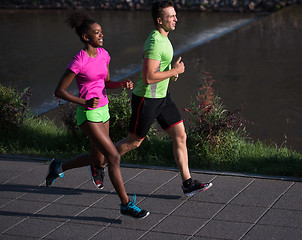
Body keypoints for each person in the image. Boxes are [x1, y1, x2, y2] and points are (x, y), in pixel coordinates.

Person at [45, 11, 149, 219]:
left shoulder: (104, 54)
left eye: (102, 32)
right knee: (113, 157)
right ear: (86, 37)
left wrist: (121, 84)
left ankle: (59, 166)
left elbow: (105, 82)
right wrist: (84, 102)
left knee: (97, 158)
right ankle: (126, 204)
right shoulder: (79, 60)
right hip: (88, 113)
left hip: (104, 110)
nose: (102, 35)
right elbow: (60, 91)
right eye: (97, 33)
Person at [114, 0, 213, 196]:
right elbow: (148, 77)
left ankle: (187, 183)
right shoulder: (154, 43)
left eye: (175, 15)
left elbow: (158, 70)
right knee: (134, 142)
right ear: (160, 20)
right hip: (147, 99)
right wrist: (174, 70)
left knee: (180, 136)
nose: (176, 18)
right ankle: (99, 162)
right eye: (171, 16)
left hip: (163, 98)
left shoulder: (164, 38)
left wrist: (171, 72)